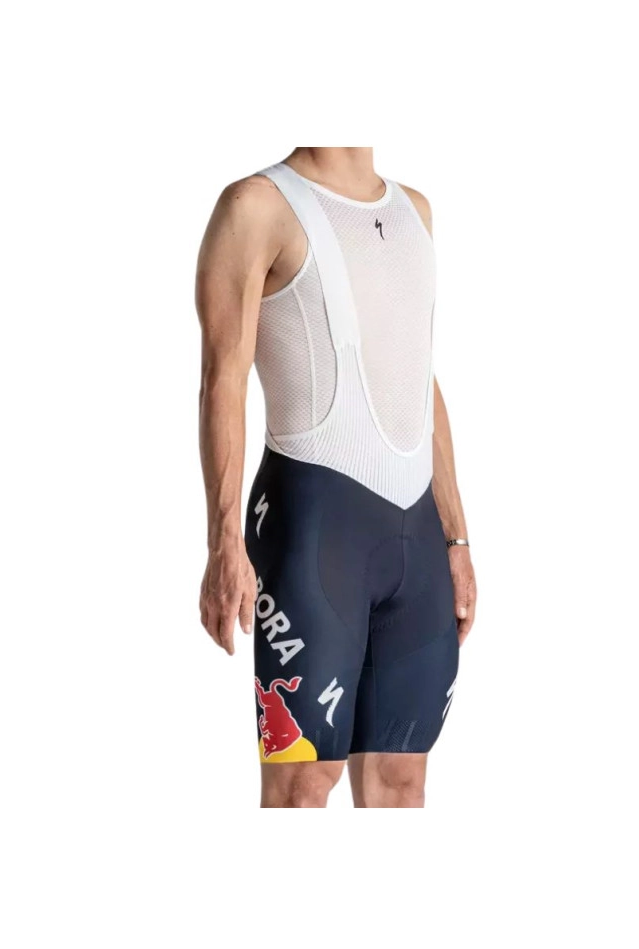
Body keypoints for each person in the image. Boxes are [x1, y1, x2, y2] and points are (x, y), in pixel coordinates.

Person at [196, 147, 475, 808]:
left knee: (402, 784)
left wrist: (457, 538)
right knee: (301, 785)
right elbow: (222, 378)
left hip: (416, 543)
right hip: (315, 531)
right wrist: (223, 542)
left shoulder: (414, 212)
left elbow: (418, 377)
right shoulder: (256, 205)